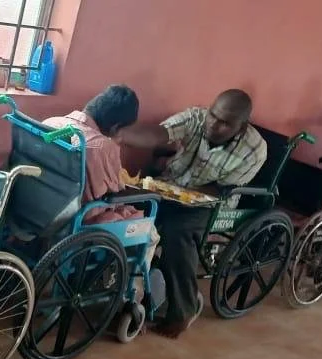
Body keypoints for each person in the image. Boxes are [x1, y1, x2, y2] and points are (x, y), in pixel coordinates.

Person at [119, 89, 267, 338]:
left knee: (177, 233)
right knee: (127, 215)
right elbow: (159, 134)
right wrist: (119, 134)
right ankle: (129, 295)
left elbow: (223, 189)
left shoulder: (254, 150)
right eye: (213, 115)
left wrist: (182, 194)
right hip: (169, 186)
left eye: (224, 123)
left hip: (211, 202)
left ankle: (183, 310)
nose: (214, 125)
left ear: (240, 128)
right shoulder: (196, 118)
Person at [41, 85, 160, 270]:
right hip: (78, 221)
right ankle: (134, 289)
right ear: (116, 127)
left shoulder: (52, 123)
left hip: (40, 209)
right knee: (150, 232)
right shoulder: (101, 146)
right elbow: (114, 191)